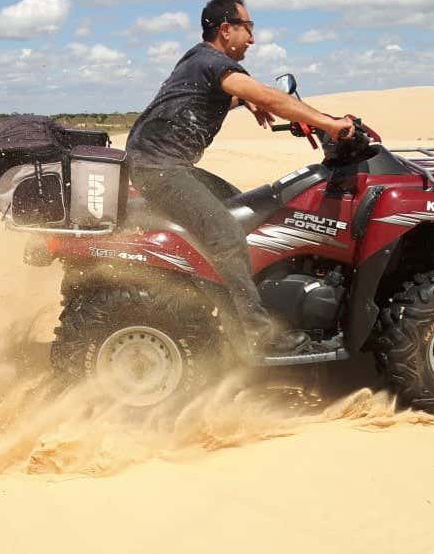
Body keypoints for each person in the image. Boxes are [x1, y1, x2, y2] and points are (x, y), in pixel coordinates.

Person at [126, 0, 353, 355]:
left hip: (164, 165)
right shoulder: (213, 62)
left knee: (242, 208)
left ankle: (246, 295)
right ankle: (259, 334)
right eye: (248, 27)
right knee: (227, 234)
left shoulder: (200, 60)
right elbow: (265, 94)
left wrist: (242, 102)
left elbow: (213, 95)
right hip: (160, 169)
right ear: (225, 29)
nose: (253, 38)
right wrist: (330, 124)